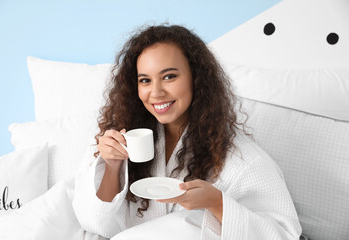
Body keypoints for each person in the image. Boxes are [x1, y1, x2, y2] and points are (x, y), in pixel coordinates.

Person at [72, 24, 302, 239]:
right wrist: (112, 166)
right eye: (145, 80)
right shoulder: (123, 138)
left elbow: (283, 234)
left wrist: (217, 203)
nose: (156, 92)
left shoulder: (243, 159)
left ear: (197, 78)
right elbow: (96, 224)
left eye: (169, 76)